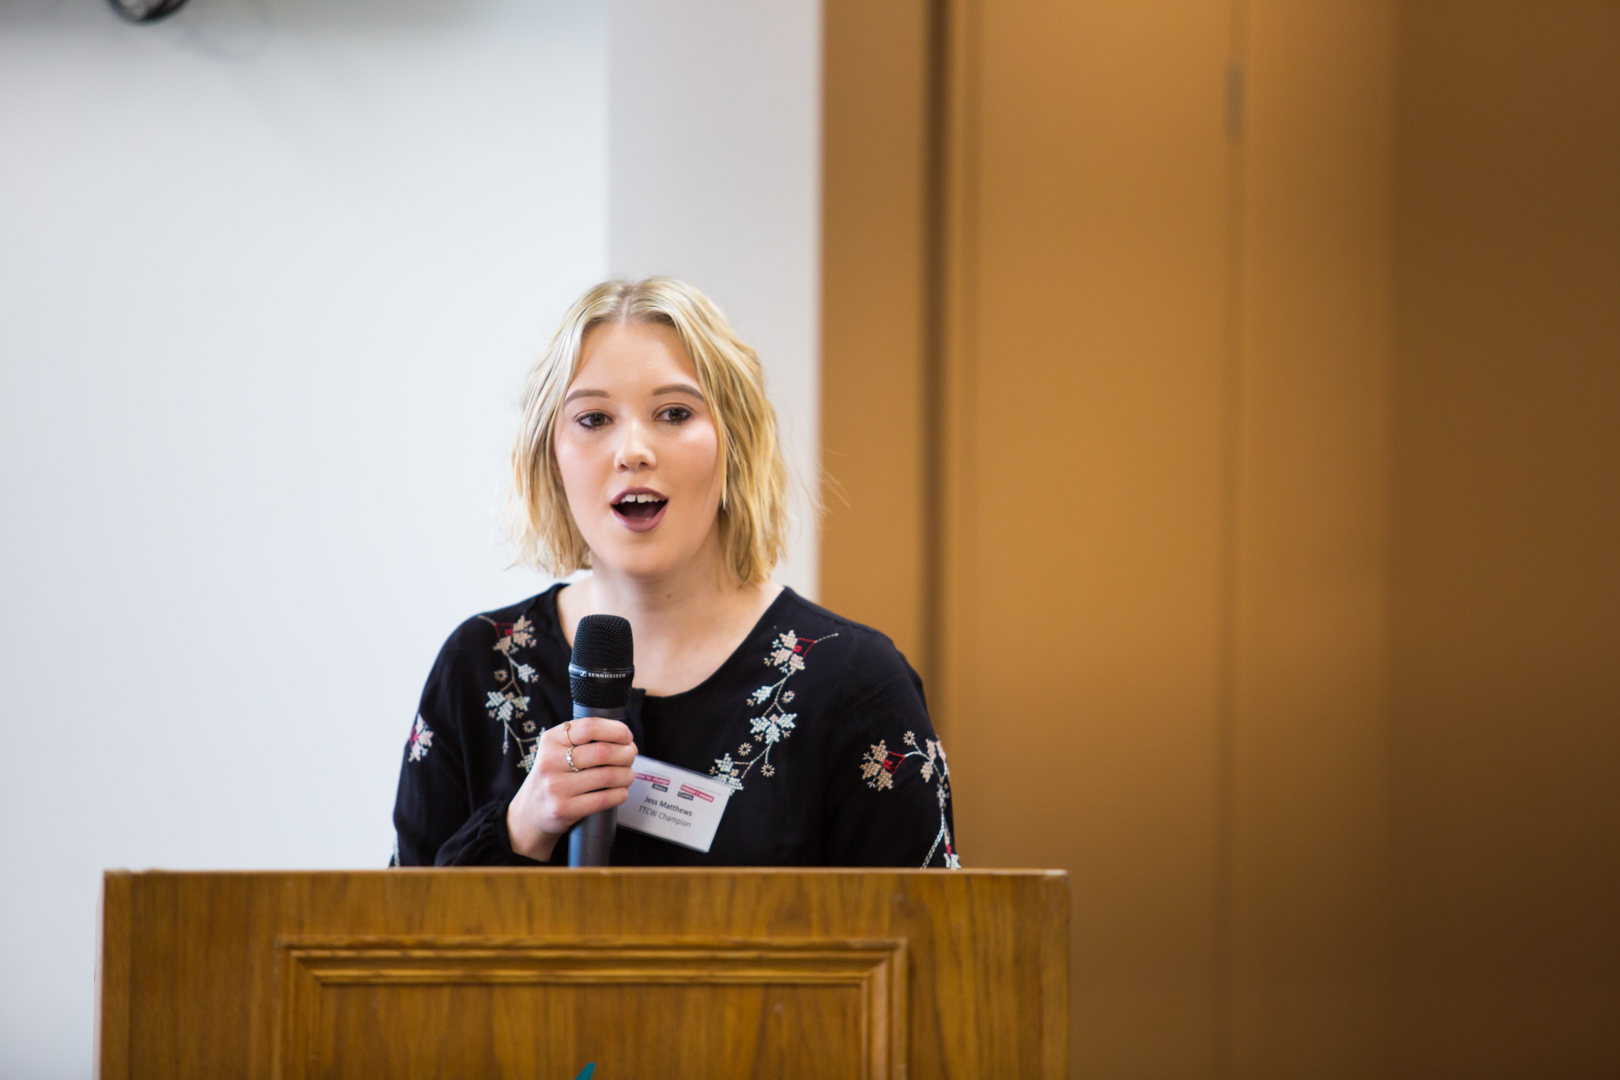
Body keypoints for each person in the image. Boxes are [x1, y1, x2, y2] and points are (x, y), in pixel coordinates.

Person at [391, 278, 958, 868]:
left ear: (733, 442)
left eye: (674, 413)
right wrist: (520, 828)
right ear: (550, 456)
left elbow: (921, 946)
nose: (633, 450)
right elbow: (392, 940)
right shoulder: (481, 666)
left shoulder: (854, 685)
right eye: (593, 419)